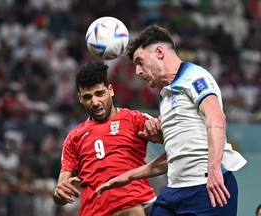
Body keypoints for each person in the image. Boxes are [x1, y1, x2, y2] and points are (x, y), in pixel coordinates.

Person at [95, 24, 247, 216]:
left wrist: (214, 169)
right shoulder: (165, 97)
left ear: (159, 52)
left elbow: (217, 118)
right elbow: (175, 156)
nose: (138, 72)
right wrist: (129, 176)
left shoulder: (194, 77)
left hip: (207, 188)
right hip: (174, 191)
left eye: (140, 62)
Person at [52, 61, 158, 216]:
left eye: (99, 94)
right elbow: (61, 191)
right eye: (87, 97)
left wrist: (160, 130)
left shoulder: (135, 119)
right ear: (80, 98)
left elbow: (176, 143)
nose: (95, 102)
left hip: (139, 205)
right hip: (94, 212)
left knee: (133, 211)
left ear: (110, 90)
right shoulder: (74, 137)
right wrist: (58, 193)